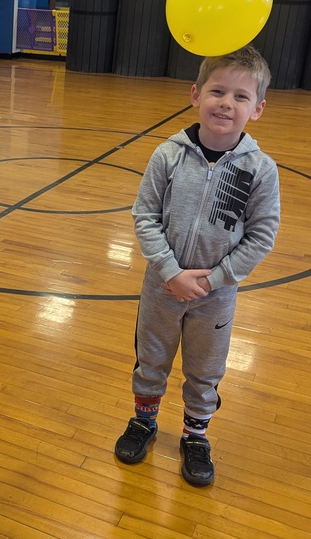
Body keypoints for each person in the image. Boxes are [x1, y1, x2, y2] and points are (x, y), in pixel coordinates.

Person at [115, 45, 280, 487]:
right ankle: (144, 421)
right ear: (195, 94)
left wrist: (214, 279)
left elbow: (262, 235)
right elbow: (144, 216)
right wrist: (170, 270)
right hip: (161, 287)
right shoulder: (167, 156)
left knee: (206, 368)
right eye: (217, 91)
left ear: (258, 108)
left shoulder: (261, 170)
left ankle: (195, 434)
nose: (227, 103)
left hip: (216, 296)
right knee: (151, 359)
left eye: (241, 97)